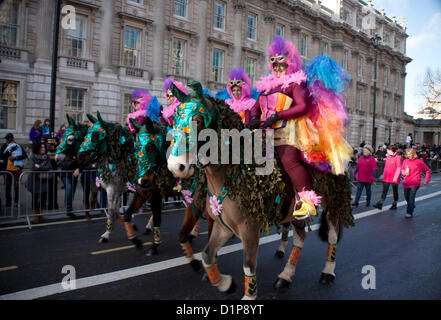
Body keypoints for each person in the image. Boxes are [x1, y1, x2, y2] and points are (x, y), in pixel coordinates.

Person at [26, 143, 53, 224]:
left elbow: (49, 167)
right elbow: (32, 168)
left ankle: (40, 215)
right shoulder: (33, 156)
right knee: (35, 199)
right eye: (41, 147)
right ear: (37, 148)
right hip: (34, 181)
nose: (43, 148)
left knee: (43, 198)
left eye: (44, 147)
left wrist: (40, 167)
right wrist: (42, 168)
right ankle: (35, 216)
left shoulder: (47, 157)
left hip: (44, 180)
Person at [401, 148, 431, 219]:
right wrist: (404, 173)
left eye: (410, 154)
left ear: (413, 154)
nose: (408, 156)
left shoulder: (419, 162)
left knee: (411, 197)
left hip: (415, 183)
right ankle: (411, 205)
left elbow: (428, 170)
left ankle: (409, 212)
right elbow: (402, 169)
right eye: (407, 154)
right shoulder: (405, 161)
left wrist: (426, 180)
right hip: (406, 182)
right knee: (406, 197)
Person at [0, 133, 27, 208]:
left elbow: (25, 155)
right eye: (7, 139)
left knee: (16, 186)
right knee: (7, 186)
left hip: (16, 169)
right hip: (7, 169)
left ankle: (16, 202)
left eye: (9, 139)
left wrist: (16, 158)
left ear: (12, 139)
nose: (8, 140)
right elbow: (1, 156)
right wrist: (9, 152)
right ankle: (8, 202)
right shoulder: (4, 146)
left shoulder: (17, 146)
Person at [373, 145, 401, 210]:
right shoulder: (387, 156)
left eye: (388, 150)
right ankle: (380, 203)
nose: (387, 151)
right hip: (387, 176)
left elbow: (398, 168)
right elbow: (383, 159)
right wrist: (377, 159)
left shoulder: (397, 158)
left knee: (395, 191)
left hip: (394, 177)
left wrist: (396, 177)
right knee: (384, 191)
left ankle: (394, 204)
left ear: (392, 150)